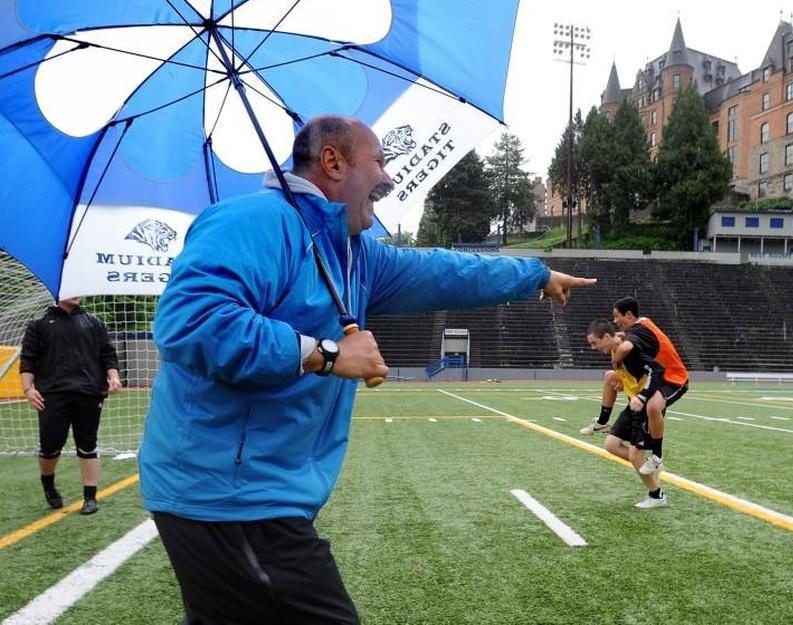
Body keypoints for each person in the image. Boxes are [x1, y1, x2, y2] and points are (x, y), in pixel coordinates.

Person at [139, 115, 595, 624]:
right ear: (333, 162)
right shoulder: (253, 222)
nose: (388, 176)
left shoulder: (354, 255)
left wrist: (534, 275)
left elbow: (445, 271)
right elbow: (192, 322)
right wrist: (327, 355)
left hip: (254, 491)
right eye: (378, 160)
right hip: (229, 493)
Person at [19, 296, 121, 515]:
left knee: (88, 444)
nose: (76, 293)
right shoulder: (39, 323)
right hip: (52, 396)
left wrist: (113, 377)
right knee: (50, 447)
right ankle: (48, 484)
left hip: (89, 393)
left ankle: (90, 497)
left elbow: (108, 354)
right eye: (71, 288)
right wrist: (29, 389)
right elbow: (28, 359)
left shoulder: (93, 322)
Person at [585, 319, 667, 509]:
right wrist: (622, 381)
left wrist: (644, 396)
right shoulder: (615, 349)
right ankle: (649, 464)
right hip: (633, 404)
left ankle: (657, 495)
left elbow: (657, 368)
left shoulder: (629, 351)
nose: (592, 348)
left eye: (594, 343)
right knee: (611, 444)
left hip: (644, 405)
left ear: (606, 337)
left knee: (634, 455)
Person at [611, 297, 688, 482]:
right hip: (659, 377)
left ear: (629, 315)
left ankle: (657, 456)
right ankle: (603, 421)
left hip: (674, 378)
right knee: (647, 405)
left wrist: (616, 360)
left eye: (617, 316)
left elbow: (628, 345)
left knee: (653, 407)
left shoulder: (639, 330)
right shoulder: (641, 327)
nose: (615, 321)